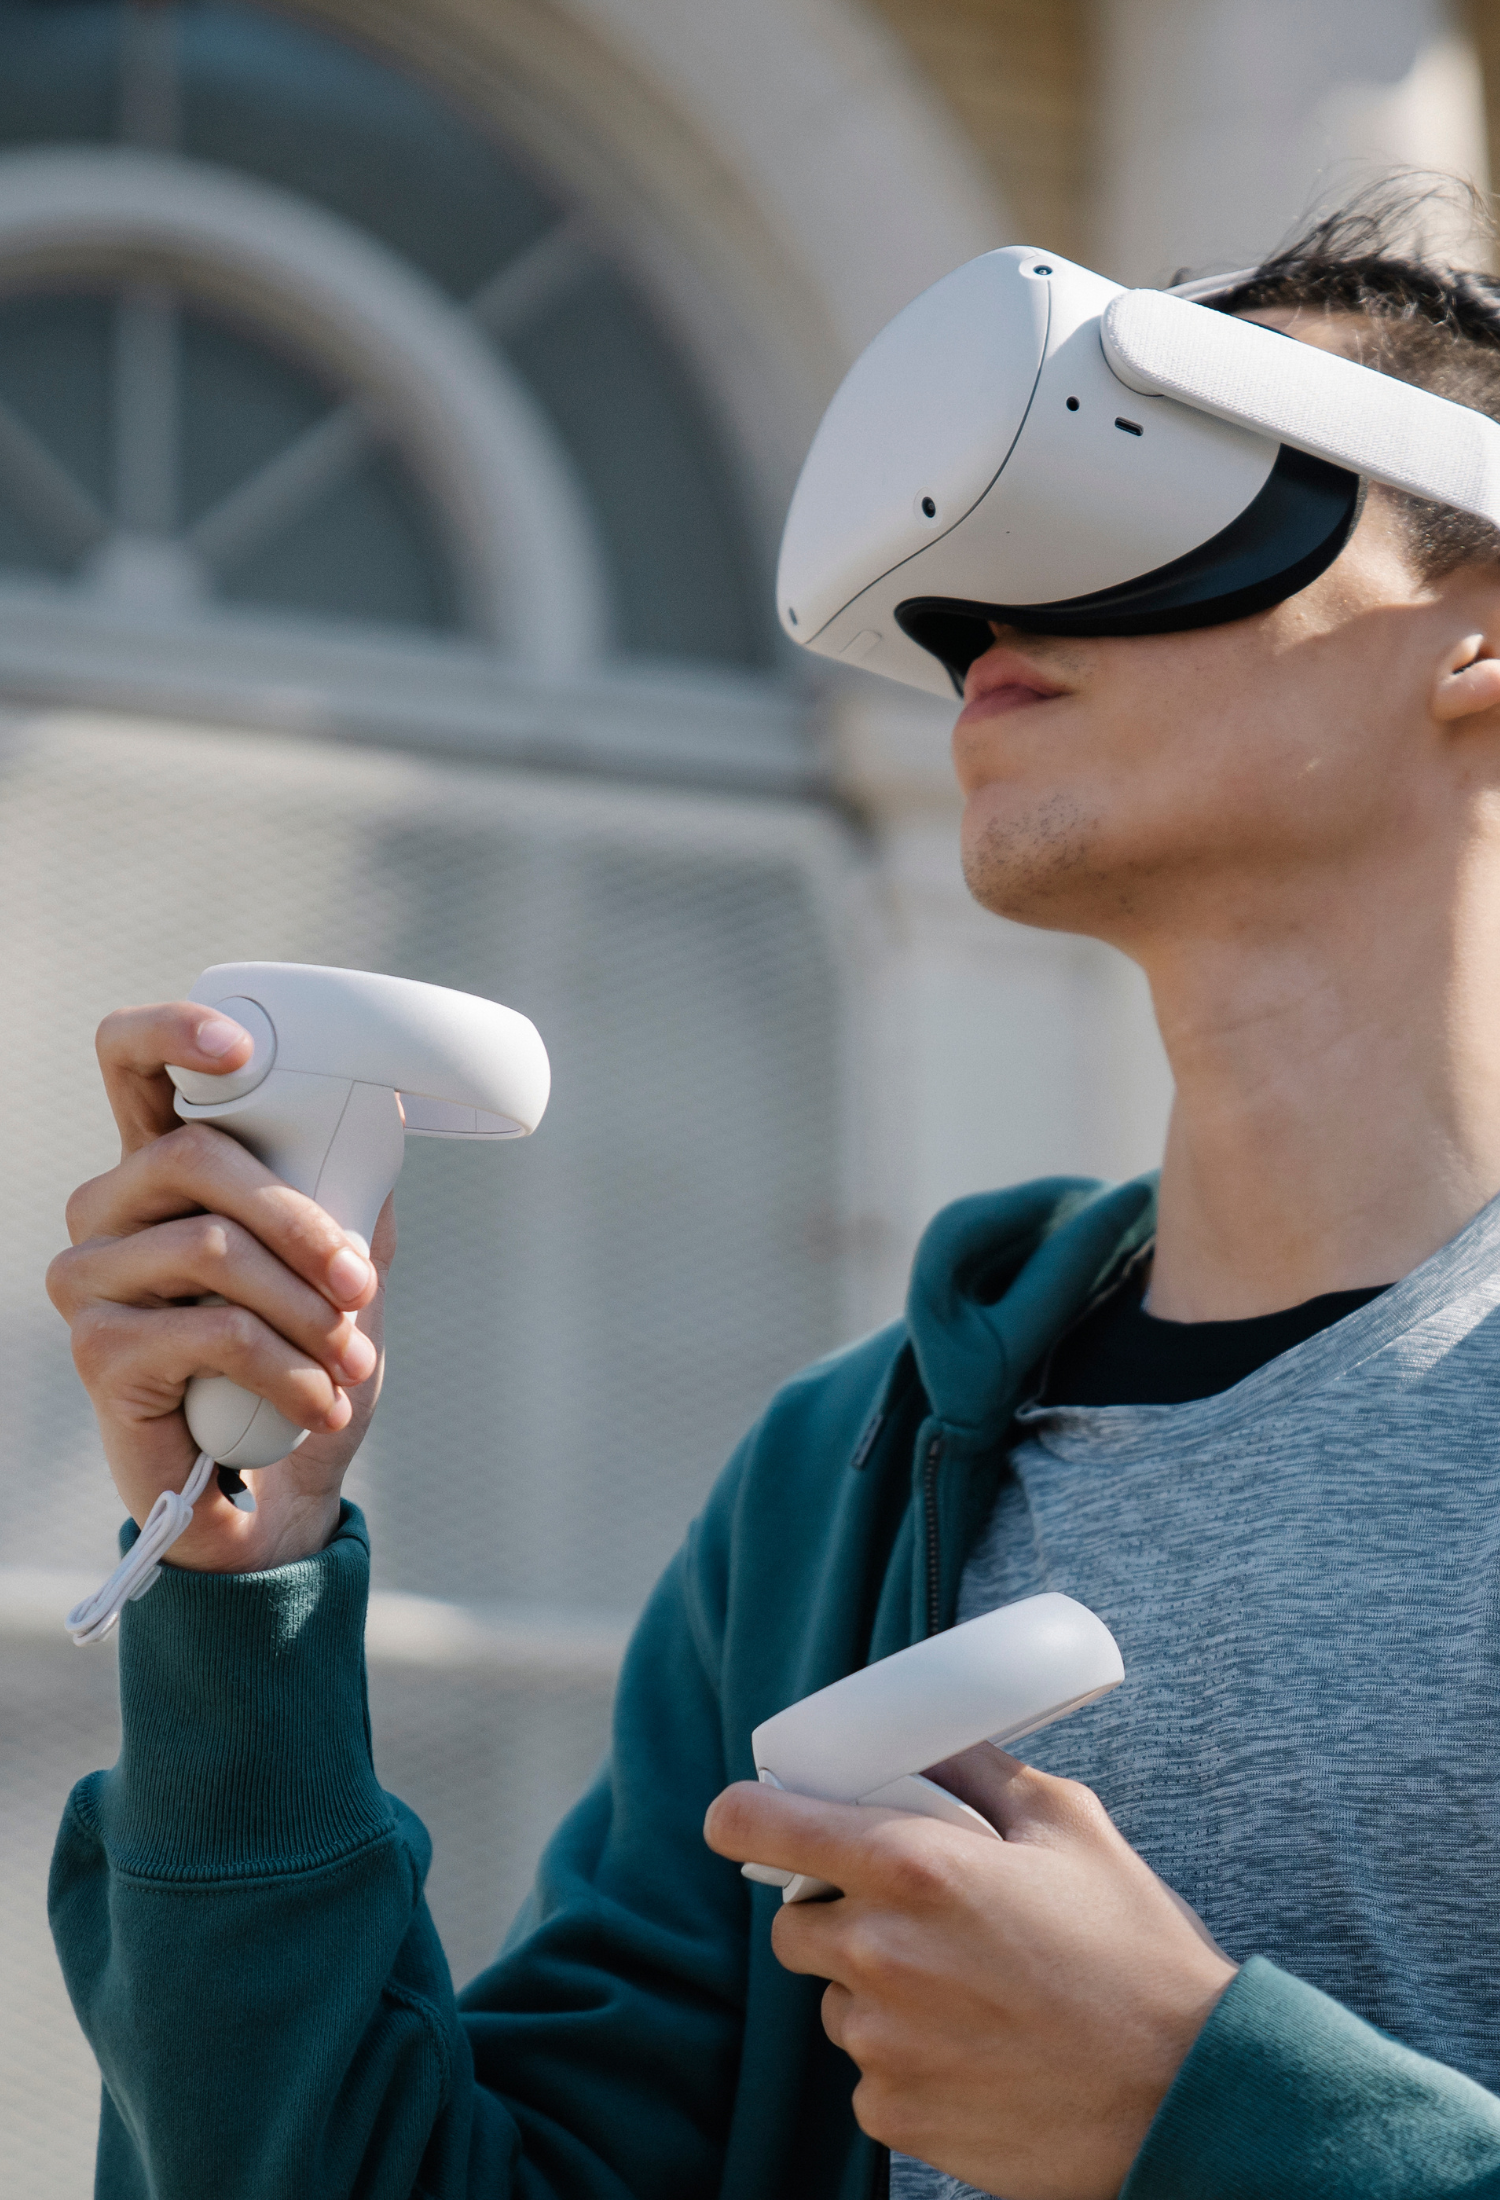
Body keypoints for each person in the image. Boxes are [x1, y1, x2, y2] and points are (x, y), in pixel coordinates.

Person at [44, 187, 1500, 2200]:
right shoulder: (841, 1480)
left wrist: (1198, 2113)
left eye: (1159, 483)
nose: (989, 601)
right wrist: (240, 1596)